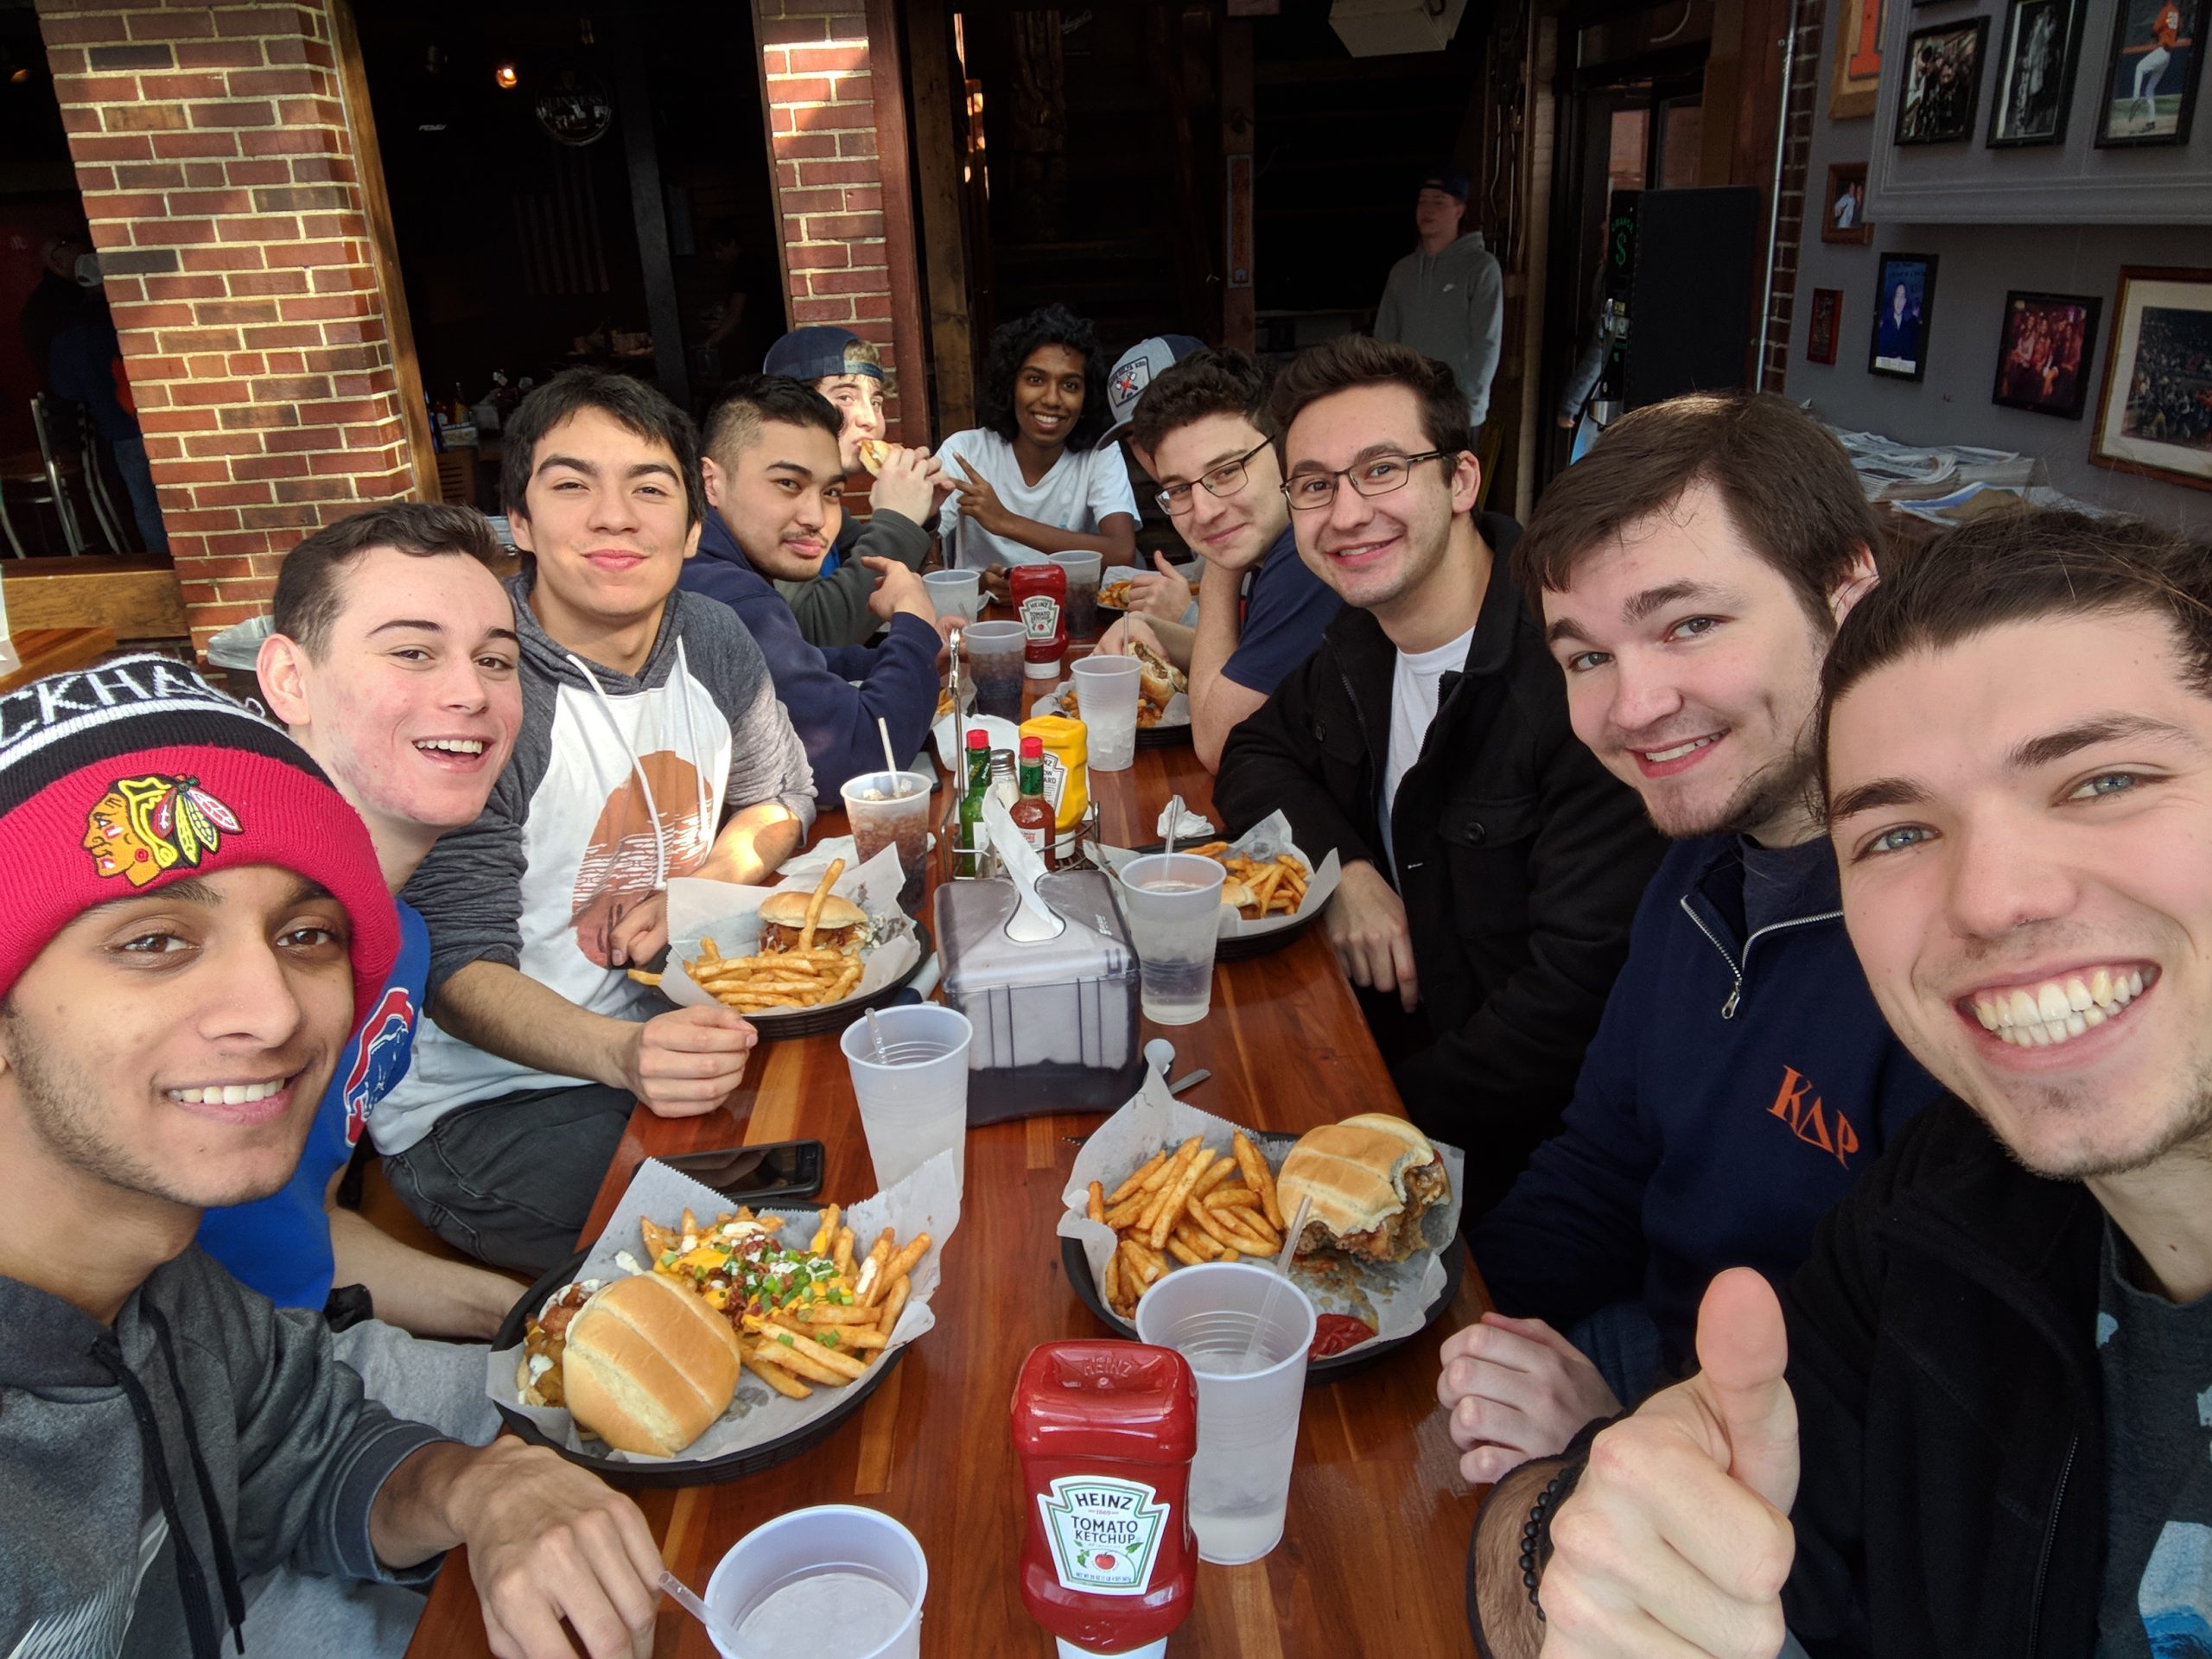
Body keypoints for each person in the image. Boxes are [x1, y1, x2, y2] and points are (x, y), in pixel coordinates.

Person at [1469, 507, 2212, 1659]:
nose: (1991, 899)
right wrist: (1568, 1520)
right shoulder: (1946, 1211)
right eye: (1898, 835)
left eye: (2101, 780)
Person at [0, 657, 667, 1659]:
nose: (273, 1012)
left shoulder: (171, 1287)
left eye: (305, 934)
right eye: (154, 941)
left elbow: (300, 1454)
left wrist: (475, 1487)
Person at [1436, 394, 1943, 1487]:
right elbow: (1602, 1165)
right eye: (1586, 657)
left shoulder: (1950, 949)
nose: (1632, 706)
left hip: (1782, 1475)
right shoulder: (1698, 862)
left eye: (1688, 625)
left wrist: (1615, 1434)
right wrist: (1436, 1318)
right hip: (1643, 1356)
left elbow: (1934, 1440)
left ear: (1846, 591)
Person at [376, 370, 816, 1276]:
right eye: (572, 485)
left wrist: (700, 887)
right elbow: (456, 970)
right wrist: (623, 1053)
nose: (614, 517)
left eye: (649, 489)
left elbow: (784, 798)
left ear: (691, 528)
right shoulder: (485, 688)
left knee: (846, 1144)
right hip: (495, 1103)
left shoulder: (710, 636)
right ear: (520, 522)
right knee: (760, 1259)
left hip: (675, 1032)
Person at [1212, 335, 1661, 1214]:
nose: (1346, 513)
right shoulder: (1358, 641)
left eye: (1381, 470)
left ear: (1461, 481)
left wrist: (1357, 1126)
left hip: (1517, 1173)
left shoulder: (1576, 679)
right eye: (1314, 485)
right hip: (1370, 1057)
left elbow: (1569, 1007)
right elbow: (1252, 754)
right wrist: (1342, 873)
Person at [194, 504, 523, 1462]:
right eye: (413, 652)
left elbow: (304, 1235)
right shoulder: (186, 936)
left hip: (303, 1360)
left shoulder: (398, 945)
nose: (469, 691)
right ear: (288, 679)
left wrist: (530, 1311)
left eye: (496, 659)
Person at [684, 376, 939, 804]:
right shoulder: (730, 596)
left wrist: (900, 654)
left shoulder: (714, 562)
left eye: (831, 492)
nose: (816, 517)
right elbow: (861, 758)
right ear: (711, 482)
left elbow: (794, 663)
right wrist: (914, 626)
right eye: (788, 483)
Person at [1093, 349, 1345, 771]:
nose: (1205, 510)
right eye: (1179, 489)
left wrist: (1219, 565)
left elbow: (1220, 745)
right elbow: (1244, 660)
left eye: (1227, 471)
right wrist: (1144, 626)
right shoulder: (1271, 549)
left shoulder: (1308, 556)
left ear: (1286, 454)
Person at [934, 303, 1141, 601]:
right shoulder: (966, 451)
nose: (1052, 399)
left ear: (1087, 397)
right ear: (1010, 384)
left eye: (1070, 385)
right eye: (1035, 380)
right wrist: (978, 583)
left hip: (1071, 614)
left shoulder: (1100, 453)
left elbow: (1122, 552)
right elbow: (917, 553)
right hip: (983, 621)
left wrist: (1006, 521)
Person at [760, 326, 946, 650]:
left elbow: (873, 577)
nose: (870, 420)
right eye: (846, 397)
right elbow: (817, 630)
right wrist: (899, 519)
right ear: (789, 407)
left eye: (876, 401)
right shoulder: (765, 500)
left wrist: (920, 517)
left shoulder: (827, 504)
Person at [1374, 168, 1504, 429]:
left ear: (1459, 210)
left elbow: (1487, 342)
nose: (1428, 209)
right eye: (1423, 202)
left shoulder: (1480, 267)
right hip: (1408, 407)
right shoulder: (1402, 271)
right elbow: (1383, 340)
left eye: (1439, 202)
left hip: (1456, 408)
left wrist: (1469, 405)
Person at [1876, 281, 1916, 366]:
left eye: (1903, 297)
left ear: (1906, 300)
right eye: (1897, 296)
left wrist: (1902, 360)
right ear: (1893, 298)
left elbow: (1913, 352)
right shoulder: (1885, 322)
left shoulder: (1911, 323)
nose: (1899, 301)